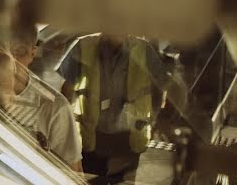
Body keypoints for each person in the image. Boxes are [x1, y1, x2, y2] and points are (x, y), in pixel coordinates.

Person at [57, 33, 185, 184]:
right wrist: (64, 130)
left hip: (129, 142)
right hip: (91, 139)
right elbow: (66, 91)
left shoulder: (143, 50)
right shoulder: (83, 46)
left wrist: (156, 118)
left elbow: (166, 86)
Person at [6, 24, 82, 171]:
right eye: (3, 48)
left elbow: (73, 173)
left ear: (32, 54)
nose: (10, 58)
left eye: (19, 51)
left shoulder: (55, 108)